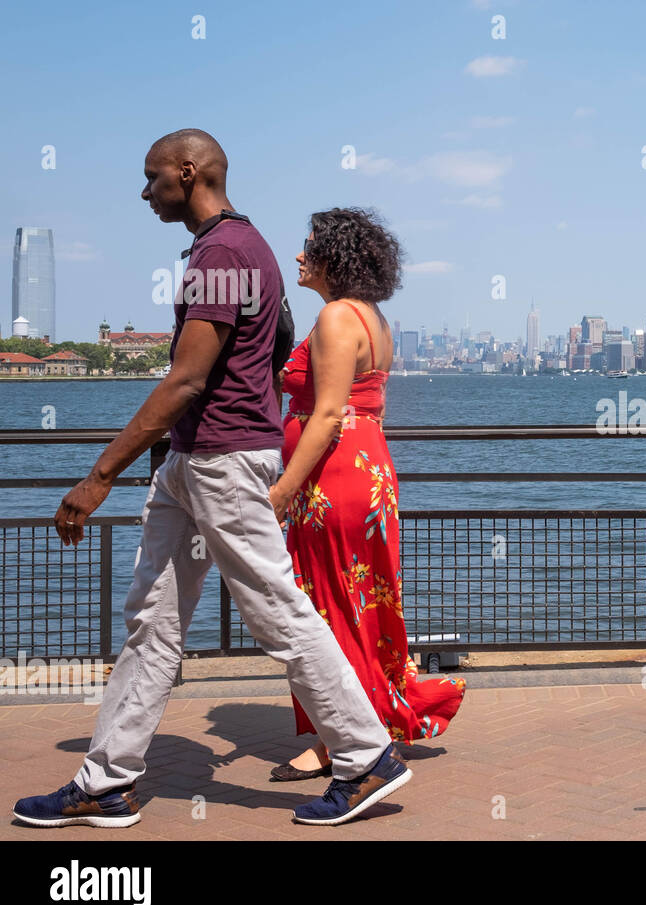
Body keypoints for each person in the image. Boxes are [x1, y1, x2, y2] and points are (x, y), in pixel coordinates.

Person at [13, 129, 408, 828]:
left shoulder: (224, 251)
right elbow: (275, 349)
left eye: (152, 178)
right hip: (194, 461)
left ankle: (365, 754)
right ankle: (108, 780)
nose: (145, 193)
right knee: (152, 622)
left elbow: (189, 376)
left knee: (276, 611)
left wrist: (99, 475)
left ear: (188, 173)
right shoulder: (238, 248)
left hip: (222, 462)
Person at [267, 207, 465, 782]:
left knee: (325, 608)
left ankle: (339, 742)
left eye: (309, 247)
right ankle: (367, 722)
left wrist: (281, 491)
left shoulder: (335, 318)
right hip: (367, 471)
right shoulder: (372, 317)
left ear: (336, 256)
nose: (299, 256)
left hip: (331, 480)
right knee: (360, 604)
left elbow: (327, 415)